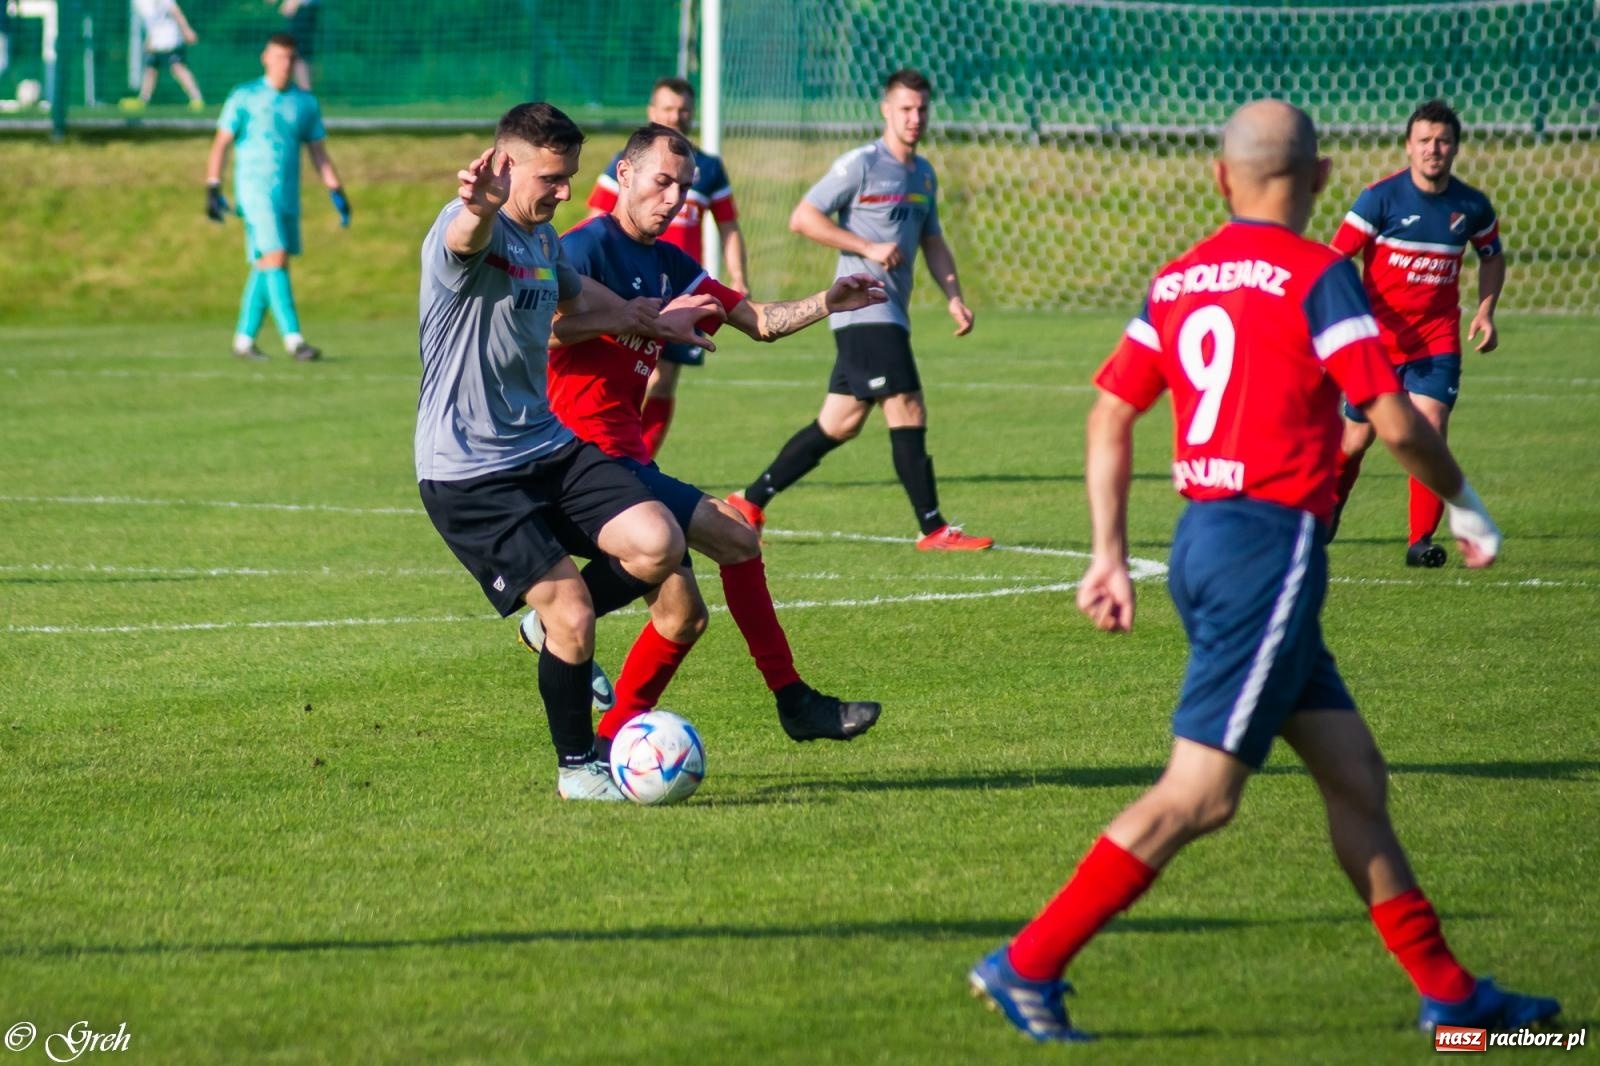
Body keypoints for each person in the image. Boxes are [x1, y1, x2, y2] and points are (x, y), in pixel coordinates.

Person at [968, 99, 1557, 1042]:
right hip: (1267, 552)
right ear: (1321, 179)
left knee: (1356, 777)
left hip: (1205, 541)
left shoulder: (1178, 277)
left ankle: (1451, 995)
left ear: (1220, 177)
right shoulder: (1319, 275)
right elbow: (1394, 418)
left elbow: (1111, 413)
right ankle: (1028, 963)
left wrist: (1110, 554)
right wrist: (1465, 502)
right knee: (1201, 794)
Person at [546, 122, 884, 752]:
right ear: (625, 175)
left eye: (684, 187)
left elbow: (760, 322)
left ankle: (607, 745)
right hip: (581, 455)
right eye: (661, 182)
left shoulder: (672, 265)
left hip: (628, 456)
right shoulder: (583, 248)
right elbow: (534, 328)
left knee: (682, 618)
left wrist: (828, 301)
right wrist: (627, 318)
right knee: (735, 535)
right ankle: (794, 700)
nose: (674, 199)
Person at [417, 102, 716, 802]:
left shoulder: (544, 242)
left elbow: (581, 303)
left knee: (659, 543)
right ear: (506, 166)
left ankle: (541, 625)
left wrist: (649, 319)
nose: (565, 191)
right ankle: (578, 768)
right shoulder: (471, 228)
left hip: (545, 444)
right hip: (470, 470)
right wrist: (480, 207)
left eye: (570, 177)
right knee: (575, 615)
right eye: (551, 178)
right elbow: (464, 237)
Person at [727, 69, 989, 552]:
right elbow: (804, 217)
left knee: (839, 423)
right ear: (886, 110)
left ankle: (749, 500)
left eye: (922, 109)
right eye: (905, 108)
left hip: (890, 314)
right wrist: (867, 247)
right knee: (907, 404)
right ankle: (933, 528)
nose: (914, 118)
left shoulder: (923, 174)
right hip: (865, 309)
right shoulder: (861, 164)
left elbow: (932, 240)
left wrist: (953, 295)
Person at [1328, 99, 1505, 567]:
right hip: (1378, 342)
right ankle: (1330, 507)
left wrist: (1486, 311)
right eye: (1424, 140)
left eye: (1443, 141)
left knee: (1429, 430)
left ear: (1456, 148)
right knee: (1355, 440)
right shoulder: (1379, 199)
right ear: (1408, 146)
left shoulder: (1471, 206)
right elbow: (1334, 259)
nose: (1433, 149)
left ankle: (1420, 541)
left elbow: (1491, 255)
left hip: (1436, 340)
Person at [585, 77, 748, 458]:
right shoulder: (630, 163)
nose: (676, 116)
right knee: (634, 373)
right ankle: (613, 457)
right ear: (652, 112)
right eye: (668, 109)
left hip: (681, 289)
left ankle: (641, 460)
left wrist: (739, 277)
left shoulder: (708, 167)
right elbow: (597, 216)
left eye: (684, 109)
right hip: (629, 284)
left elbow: (728, 226)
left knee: (663, 380)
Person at [205, 34, 349, 363]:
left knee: (266, 263)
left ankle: (243, 341)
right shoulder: (245, 96)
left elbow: (318, 153)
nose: (285, 64)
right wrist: (213, 186)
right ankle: (294, 341)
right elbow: (221, 143)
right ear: (265, 58)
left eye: (290, 58)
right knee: (276, 255)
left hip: (286, 194)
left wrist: (336, 190)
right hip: (254, 192)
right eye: (279, 56)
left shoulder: (304, 102)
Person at [123, 0, 204, 111]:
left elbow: (176, 13)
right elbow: (150, 22)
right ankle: (143, 100)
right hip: (155, 41)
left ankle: (197, 99)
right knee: (151, 70)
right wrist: (149, 39)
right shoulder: (139, 3)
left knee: (177, 68)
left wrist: (186, 30)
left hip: (171, 39)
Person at [265, 0, 317, 90]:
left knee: (298, 51)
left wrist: (293, 2)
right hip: (302, 9)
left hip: (302, 9)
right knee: (298, 51)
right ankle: (303, 88)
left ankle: (304, 89)